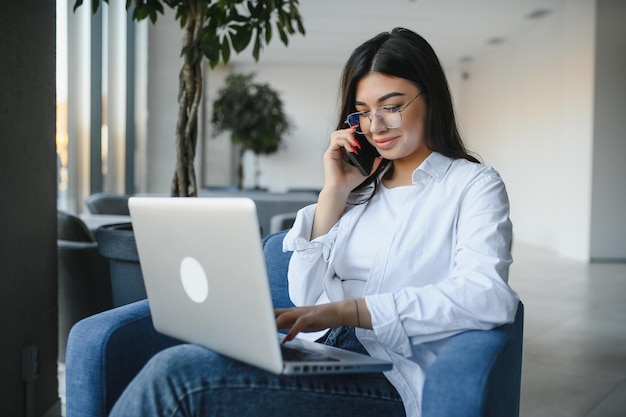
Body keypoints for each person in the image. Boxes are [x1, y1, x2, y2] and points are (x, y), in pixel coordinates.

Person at [109, 27, 519, 417]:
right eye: (363, 113)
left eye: (391, 107)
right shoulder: (359, 191)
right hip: (326, 353)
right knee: (184, 362)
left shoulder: (472, 185)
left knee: (178, 375)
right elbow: (304, 294)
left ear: (431, 99)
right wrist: (334, 192)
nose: (376, 127)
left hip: (391, 374)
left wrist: (349, 311)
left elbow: (487, 296)